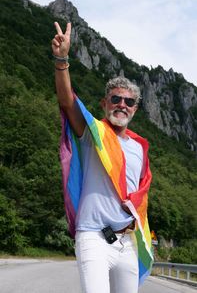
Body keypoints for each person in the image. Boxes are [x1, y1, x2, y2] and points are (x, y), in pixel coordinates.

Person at [52, 22, 153, 293]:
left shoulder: (140, 148)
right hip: (93, 236)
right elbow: (67, 102)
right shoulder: (93, 133)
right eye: (116, 99)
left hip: (127, 241)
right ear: (104, 104)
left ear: (135, 109)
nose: (122, 104)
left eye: (129, 102)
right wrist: (62, 60)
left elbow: (138, 195)